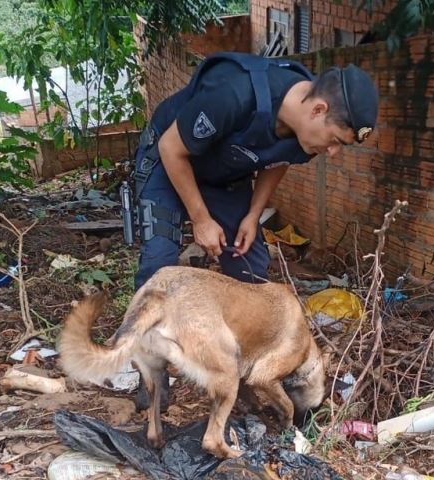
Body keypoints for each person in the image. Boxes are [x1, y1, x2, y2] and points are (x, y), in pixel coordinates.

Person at [130, 51, 378, 409]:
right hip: (170, 160)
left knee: (249, 263)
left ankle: (245, 370)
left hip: (222, 176)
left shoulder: (305, 133)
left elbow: (277, 160)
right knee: (159, 260)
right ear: (319, 110)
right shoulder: (235, 93)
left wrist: (252, 215)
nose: (334, 152)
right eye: (337, 139)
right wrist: (200, 219)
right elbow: (172, 148)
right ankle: (152, 373)